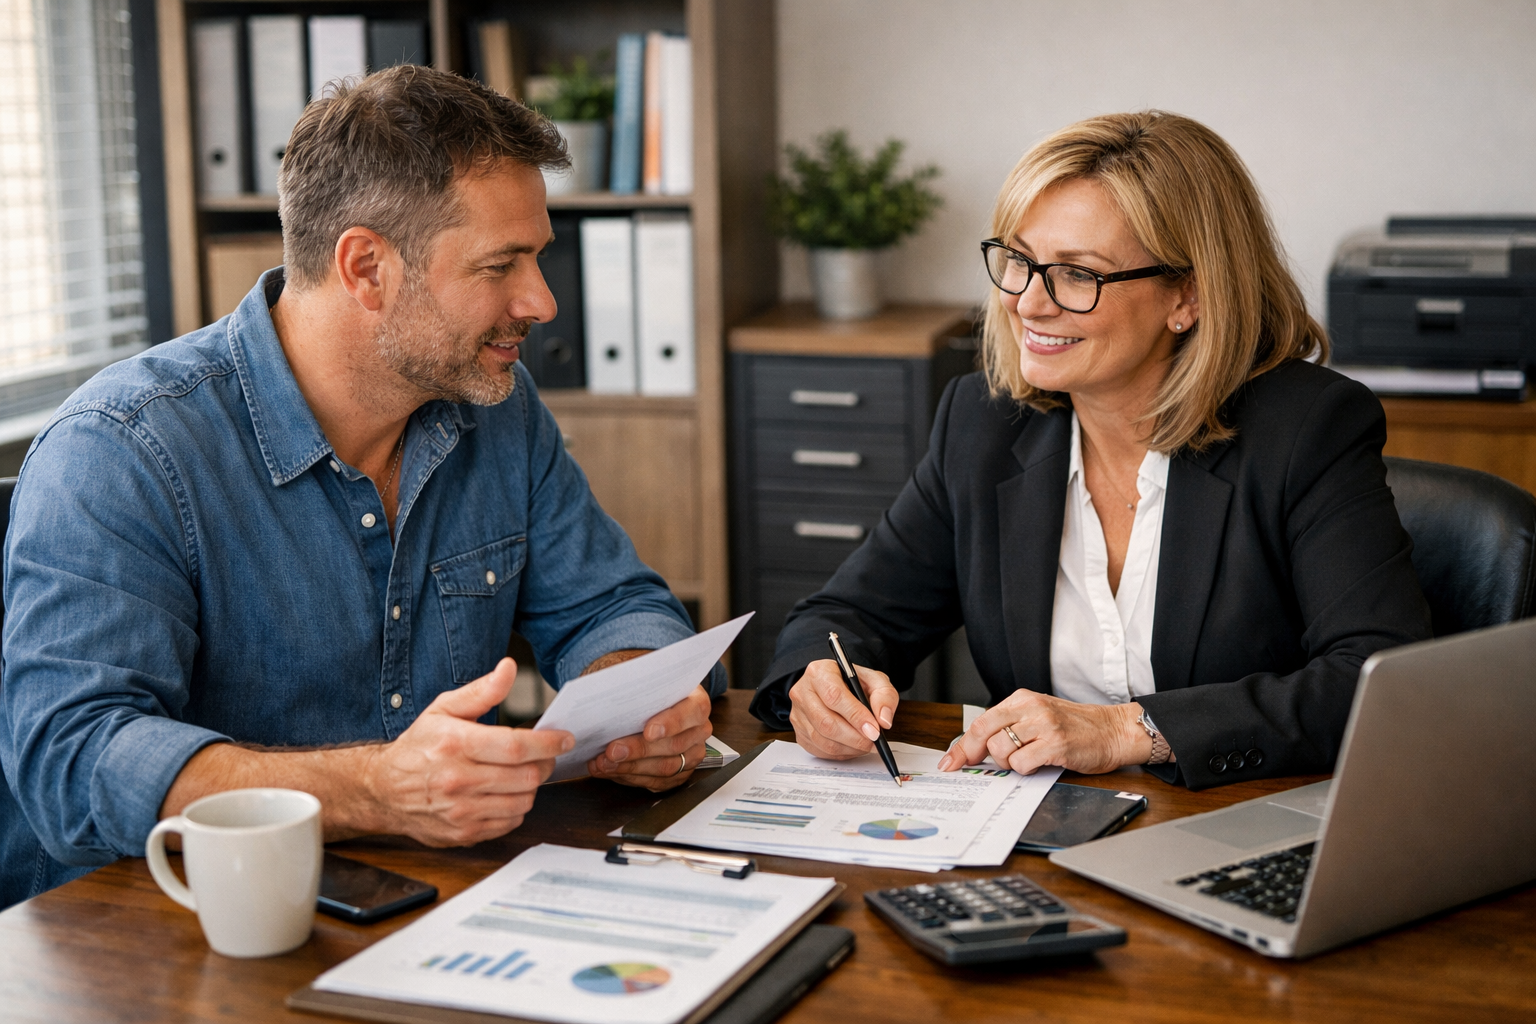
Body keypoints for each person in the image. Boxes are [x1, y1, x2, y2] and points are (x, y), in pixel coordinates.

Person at [0, 66, 721, 909]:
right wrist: (377, 788)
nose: (542, 302)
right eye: (501, 265)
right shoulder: (123, 451)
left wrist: (643, 696)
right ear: (367, 267)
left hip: (444, 900)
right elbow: (73, 760)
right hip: (177, 925)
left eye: (538, 258)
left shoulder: (498, 406)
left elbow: (611, 602)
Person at [750, 110, 1432, 789]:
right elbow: (846, 617)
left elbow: (1375, 677)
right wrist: (820, 682)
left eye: (1077, 274)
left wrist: (1127, 731)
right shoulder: (985, 425)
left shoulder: (1306, 429)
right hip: (1044, 826)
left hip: (1236, 822)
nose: (1027, 303)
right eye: (1019, 261)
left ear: (1188, 296)